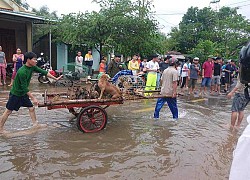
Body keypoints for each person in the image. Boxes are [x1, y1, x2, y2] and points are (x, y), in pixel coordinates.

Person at [0, 52, 63, 133]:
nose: (36, 61)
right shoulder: (22, 71)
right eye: (34, 59)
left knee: (31, 108)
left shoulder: (32, 67)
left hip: (23, 94)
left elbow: (44, 72)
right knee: (8, 111)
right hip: (16, 94)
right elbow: (24, 88)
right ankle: (0, 129)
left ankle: (35, 124)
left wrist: (55, 78)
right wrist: (33, 98)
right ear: (28, 60)